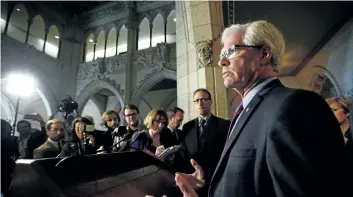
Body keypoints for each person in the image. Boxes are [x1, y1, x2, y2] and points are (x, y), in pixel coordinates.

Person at [172, 20, 347, 197]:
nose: (222, 62)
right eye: (221, 55)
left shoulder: (296, 106)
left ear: (264, 54)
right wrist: (209, 185)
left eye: (231, 51)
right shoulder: (246, 111)